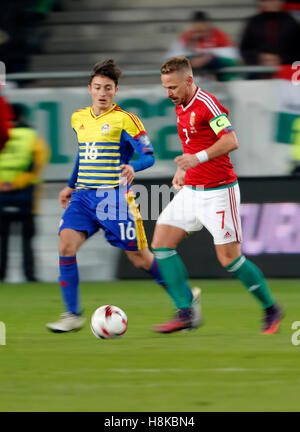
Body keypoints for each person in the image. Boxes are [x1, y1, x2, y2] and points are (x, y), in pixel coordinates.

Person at [151, 56, 283, 334]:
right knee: (161, 243)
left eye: (173, 87)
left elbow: (231, 140)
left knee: (230, 259)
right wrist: (185, 171)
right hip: (191, 190)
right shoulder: (182, 105)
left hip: (219, 192)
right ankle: (185, 311)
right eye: (165, 88)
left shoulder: (207, 104)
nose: (169, 93)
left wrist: (195, 159)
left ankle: (271, 309)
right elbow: (195, 142)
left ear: (189, 80)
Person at [46, 59, 180, 333]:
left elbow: (149, 156)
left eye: (108, 88)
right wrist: (70, 186)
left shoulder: (126, 120)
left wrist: (133, 166)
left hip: (113, 199)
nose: (103, 93)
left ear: (116, 90)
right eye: (98, 87)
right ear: (90, 89)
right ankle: (72, 314)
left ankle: (184, 301)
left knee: (141, 259)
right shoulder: (79, 118)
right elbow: (83, 156)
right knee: (65, 247)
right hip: (83, 197)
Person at [0, 103, 50, 282]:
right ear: (22, 117)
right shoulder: (32, 137)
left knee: (1, 238)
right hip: (27, 194)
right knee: (27, 238)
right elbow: (39, 161)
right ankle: (30, 275)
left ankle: (1, 275)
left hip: (1, 193)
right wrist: (17, 183)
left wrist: (3, 184)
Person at [167, 11, 239, 81]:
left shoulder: (219, 35)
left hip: (217, 72)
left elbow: (232, 54)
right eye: (197, 30)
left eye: (202, 30)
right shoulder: (186, 37)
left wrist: (208, 57)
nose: (200, 33)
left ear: (208, 24)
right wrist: (190, 58)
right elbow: (172, 56)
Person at [240, 0, 300, 68]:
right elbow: (245, 48)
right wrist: (261, 58)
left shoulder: (291, 22)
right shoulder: (253, 22)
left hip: (286, 67)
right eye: (268, 1)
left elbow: (297, 49)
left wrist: (281, 59)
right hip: (258, 68)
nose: (272, 3)